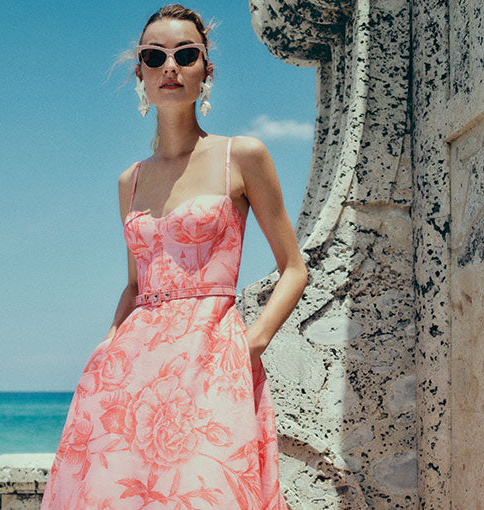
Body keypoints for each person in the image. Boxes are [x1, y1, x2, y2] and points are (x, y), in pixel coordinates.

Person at [40, 4, 307, 509]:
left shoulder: (243, 155)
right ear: (138, 70)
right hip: (128, 371)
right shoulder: (130, 181)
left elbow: (294, 268)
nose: (171, 66)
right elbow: (136, 285)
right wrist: (108, 343)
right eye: (154, 55)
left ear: (207, 70)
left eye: (186, 54)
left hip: (212, 357)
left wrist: (249, 346)